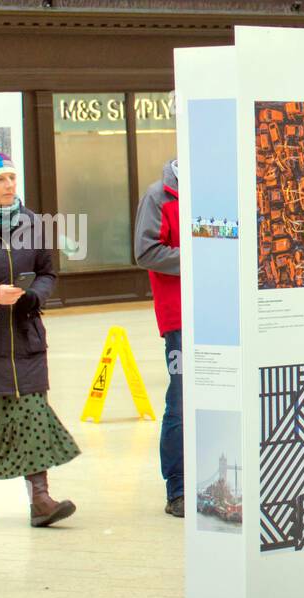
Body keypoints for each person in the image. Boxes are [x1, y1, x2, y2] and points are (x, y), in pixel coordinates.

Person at [0, 145, 79, 527]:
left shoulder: (32, 222)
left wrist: (34, 295)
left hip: (25, 336)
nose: (10, 184)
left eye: (12, 177)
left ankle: (40, 499)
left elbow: (47, 271)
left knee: (33, 415)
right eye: (0, 180)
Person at [134, 159, 184, 518]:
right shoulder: (158, 196)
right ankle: (178, 489)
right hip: (181, 316)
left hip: (225, 314)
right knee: (181, 400)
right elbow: (146, 251)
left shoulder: (222, 189)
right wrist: (201, 259)